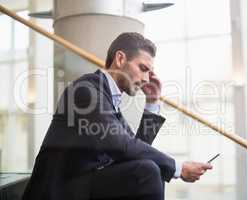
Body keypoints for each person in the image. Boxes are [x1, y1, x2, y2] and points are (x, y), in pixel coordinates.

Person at [22, 32, 212, 200]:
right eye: (143, 68)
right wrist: (178, 168)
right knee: (148, 171)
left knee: (150, 167)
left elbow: (134, 149)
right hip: (59, 190)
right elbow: (122, 144)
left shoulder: (110, 101)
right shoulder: (86, 90)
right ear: (120, 59)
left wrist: (152, 103)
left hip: (82, 185)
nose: (147, 79)